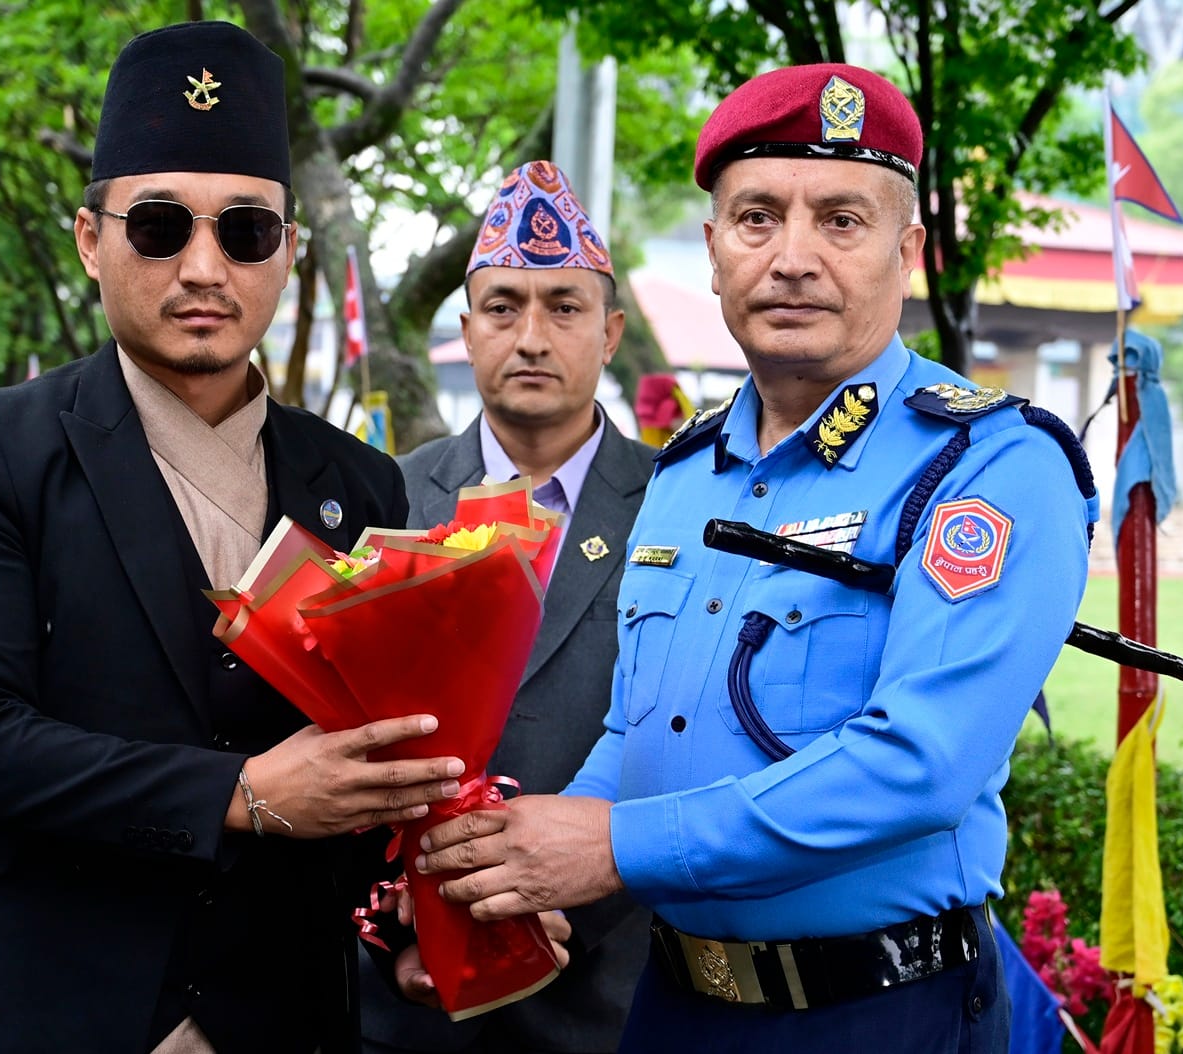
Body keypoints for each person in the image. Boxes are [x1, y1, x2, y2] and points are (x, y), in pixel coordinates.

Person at [413, 64, 1100, 1053]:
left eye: (841, 221)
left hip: (876, 1013)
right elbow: (635, 729)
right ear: (713, 251)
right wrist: (524, 859)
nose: (792, 258)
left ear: (907, 251)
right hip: (672, 1006)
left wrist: (613, 846)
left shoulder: (988, 464)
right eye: (757, 218)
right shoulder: (685, 470)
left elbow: (920, 764)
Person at [0, 22, 464, 1054]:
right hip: (28, 1000)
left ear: (289, 251)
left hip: (274, 1010)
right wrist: (242, 794)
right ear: (91, 240)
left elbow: (358, 758)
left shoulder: (357, 480)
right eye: (161, 226)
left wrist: (402, 905)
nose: (204, 268)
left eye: (246, 231)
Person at [361, 161, 653, 1054]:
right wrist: (394, 924)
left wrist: (562, 906)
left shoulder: (676, 508)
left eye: (563, 308)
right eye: (502, 307)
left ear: (609, 333)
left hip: (606, 996)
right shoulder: (384, 499)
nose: (530, 337)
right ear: (465, 330)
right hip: (406, 995)